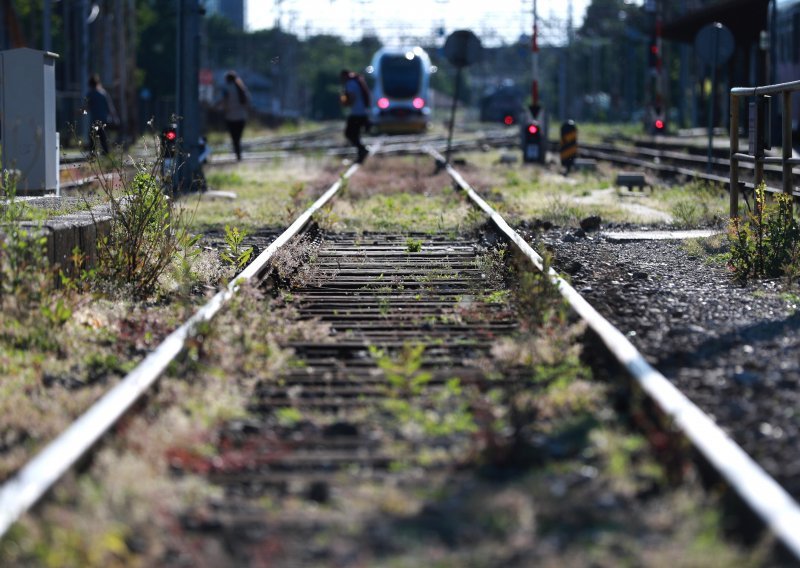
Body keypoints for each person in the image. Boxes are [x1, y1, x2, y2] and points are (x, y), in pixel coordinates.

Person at [340, 69, 371, 163]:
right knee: (354, 135)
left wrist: (345, 102)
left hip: (357, 113)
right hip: (361, 113)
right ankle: (361, 154)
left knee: (349, 134)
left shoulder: (350, 83)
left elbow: (352, 97)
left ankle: (362, 151)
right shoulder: (356, 81)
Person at [219, 70, 251, 161]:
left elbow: (223, 102)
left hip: (231, 117)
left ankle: (238, 155)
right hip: (241, 117)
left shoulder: (226, 88)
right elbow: (248, 102)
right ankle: (238, 154)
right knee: (238, 137)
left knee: (234, 138)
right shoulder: (241, 88)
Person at [86, 74, 119, 156]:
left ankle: (93, 154)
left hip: (94, 120)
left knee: (92, 138)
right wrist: (115, 118)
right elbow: (110, 107)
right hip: (104, 120)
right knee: (103, 138)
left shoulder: (90, 94)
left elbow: (87, 107)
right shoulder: (103, 93)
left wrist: (79, 112)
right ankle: (106, 154)